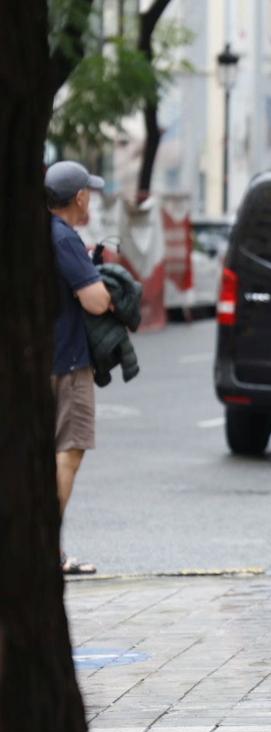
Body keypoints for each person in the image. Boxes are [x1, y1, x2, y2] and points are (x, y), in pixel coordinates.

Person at [46, 161, 111, 576]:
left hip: (40, 356)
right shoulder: (64, 238)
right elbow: (96, 300)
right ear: (80, 197)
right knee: (67, 454)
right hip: (67, 362)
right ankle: (47, 548)